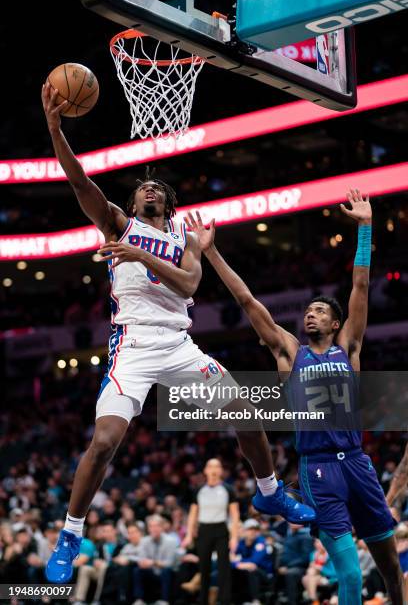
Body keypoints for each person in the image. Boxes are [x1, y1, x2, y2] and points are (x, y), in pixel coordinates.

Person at [41, 82, 315, 584]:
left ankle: (271, 491)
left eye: (158, 189)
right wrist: (57, 130)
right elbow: (81, 184)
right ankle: (70, 534)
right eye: (143, 188)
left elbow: (190, 282)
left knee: (245, 412)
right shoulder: (118, 225)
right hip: (134, 345)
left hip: (179, 343)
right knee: (104, 442)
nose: (150, 189)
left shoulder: (185, 239)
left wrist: (143, 256)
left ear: (168, 202)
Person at [186, 190, 404, 605]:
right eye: (308, 311)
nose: (310, 314)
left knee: (392, 570)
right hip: (319, 470)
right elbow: (247, 300)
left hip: (358, 463)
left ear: (336, 322)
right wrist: (211, 253)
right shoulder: (289, 352)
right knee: (352, 577)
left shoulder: (349, 348)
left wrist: (365, 227)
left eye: (320, 312)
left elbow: (360, 283)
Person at [182, 458, 239, 605]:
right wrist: (189, 534)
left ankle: (225, 601)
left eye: (217, 466)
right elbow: (193, 514)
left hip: (221, 530)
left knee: (223, 569)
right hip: (204, 530)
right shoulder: (199, 490)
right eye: (210, 467)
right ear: (205, 471)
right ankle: (203, 601)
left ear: (221, 471)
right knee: (204, 568)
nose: (213, 470)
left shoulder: (228, 489)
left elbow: (235, 515)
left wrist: (234, 537)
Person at [131, 514, 178, 605]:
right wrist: (143, 563)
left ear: (162, 527)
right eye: (151, 526)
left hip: (166, 572)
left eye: (156, 526)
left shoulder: (171, 541)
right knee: (137, 570)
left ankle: (164, 601)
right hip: (151, 572)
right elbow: (142, 560)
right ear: (148, 529)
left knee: (166, 570)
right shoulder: (144, 541)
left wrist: (153, 562)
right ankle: (139, 600)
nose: (154, 529)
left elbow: (170, 564)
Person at [231, 518, 273, 605]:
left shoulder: (261, 542)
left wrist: (238, 562)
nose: (253, 532)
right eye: (250, 529)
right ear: (244, 531)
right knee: (233, 571)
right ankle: (234, 600)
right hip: (246, 571)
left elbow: (254, 562)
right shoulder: (241, 542)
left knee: (252, 570)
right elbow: (230, 559)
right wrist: (237, 564)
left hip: (264, 573)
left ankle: (256, 601)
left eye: (255, 529)